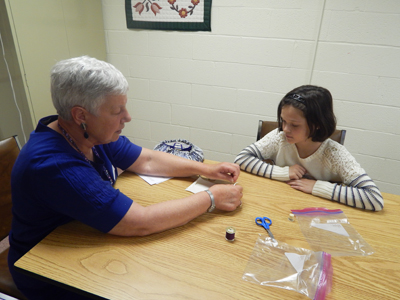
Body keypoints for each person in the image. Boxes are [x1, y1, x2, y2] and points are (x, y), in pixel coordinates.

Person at [9, 56, 243, 299]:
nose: (127, 117)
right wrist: (211, 198)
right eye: (117, 110)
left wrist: (205, 170)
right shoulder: (55, 166)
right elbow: (141, 222)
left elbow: (147, 160)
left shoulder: (87, 134)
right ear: (81, 115)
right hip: (48, 271)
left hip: (83, 234)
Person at [234, 85, 383, 211]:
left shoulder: (335, 153)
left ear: (317, 124)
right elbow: (241, 159)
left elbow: (374, 198)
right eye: (283, 121)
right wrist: (283, 172)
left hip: (316, 213)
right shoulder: (280, 137)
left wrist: (317, 187)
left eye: (295, 125)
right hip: (279, 206)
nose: (285, 129)